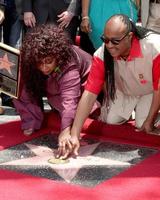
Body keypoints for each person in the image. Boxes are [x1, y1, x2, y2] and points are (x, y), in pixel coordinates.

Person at [57, 14, 160, 158]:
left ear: (130, 36)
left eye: (115, 41)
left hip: (151, 91)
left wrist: (150, 120)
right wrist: (75, 134)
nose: (109, 45)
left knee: (142, 124)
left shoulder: (154, 47)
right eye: (105, 40)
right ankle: (131, 111)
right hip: (124, 90)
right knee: (111, 121)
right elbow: (89, 94)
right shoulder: (101, 54)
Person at [13, 24, 96, 145]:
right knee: (19, 83)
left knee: (67, 104)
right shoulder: (32, 58)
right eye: (39, 63)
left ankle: (91, 110)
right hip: (53, 82)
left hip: (86, 85)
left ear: (57, 56)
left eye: (48, 62)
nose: (44, 67)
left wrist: (65, 130)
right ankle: (32, 120)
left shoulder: (69, 64)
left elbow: (69, 100)